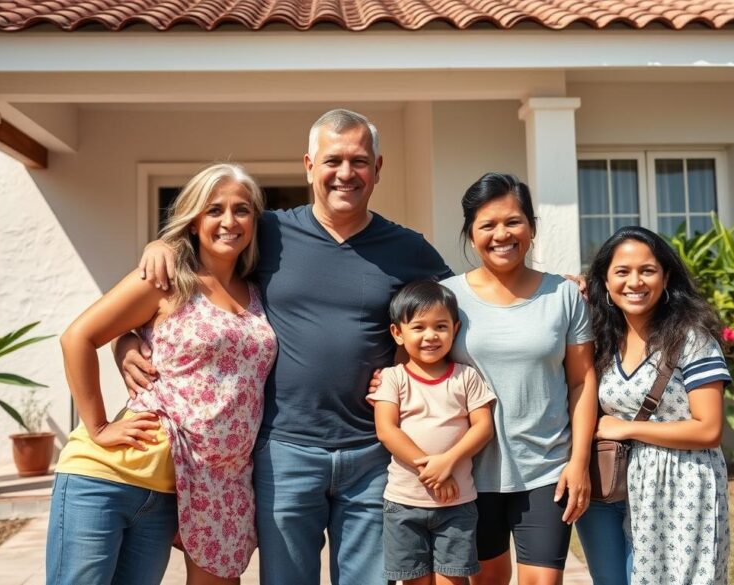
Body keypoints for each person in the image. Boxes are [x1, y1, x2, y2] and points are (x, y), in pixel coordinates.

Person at [121, 109, 453, 584]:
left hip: (372, 451)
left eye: (359, 161)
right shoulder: (268, 232)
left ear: (378, 168)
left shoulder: (409, 249)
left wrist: (549, 285)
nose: (345, 173)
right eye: (332, 160)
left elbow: (462, 310)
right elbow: (197, 268)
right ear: (309, 165)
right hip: (284, 451)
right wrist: (132, 327)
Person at [48, 163, 276, 585]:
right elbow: (77, 338)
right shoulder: (166, 280)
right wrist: (97, 426)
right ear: (193, 220)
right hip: (115, 474)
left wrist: (128, 340)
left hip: (209, 482)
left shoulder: (261, 291)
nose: (229, 221)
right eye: (214, 210)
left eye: (242, 209)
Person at [442, 173, 597, 585]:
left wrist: (578, 462)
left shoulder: (564, 295)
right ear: (470, 234)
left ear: (530, 227)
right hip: (471, 474)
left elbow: (582, 381)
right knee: (488, 581)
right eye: (487, 225)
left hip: (547, 469)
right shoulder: (447, 299)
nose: (501, 235)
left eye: (513, 222)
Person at [582, 225, 732, 585]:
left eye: (647, 270)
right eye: (622, 272)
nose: (635, 282)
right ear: (604, 282)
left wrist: (629, 427)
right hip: (607, 486)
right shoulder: (601, 339)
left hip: (679, 487)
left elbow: (709, 428)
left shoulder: (692, 339)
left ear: (666, 278)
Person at [369, 279, 497, 584]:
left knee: (452, 580)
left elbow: (483, 427)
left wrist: (448, 462)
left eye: (440, 327)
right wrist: (429, 467)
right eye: (419, 327)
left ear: (455, 328)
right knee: (414, 580)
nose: (430, 336)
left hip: (457, 505)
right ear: (397, 333)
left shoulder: (467, 377)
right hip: (403, 504)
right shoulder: (392, 378)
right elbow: (387, 430)